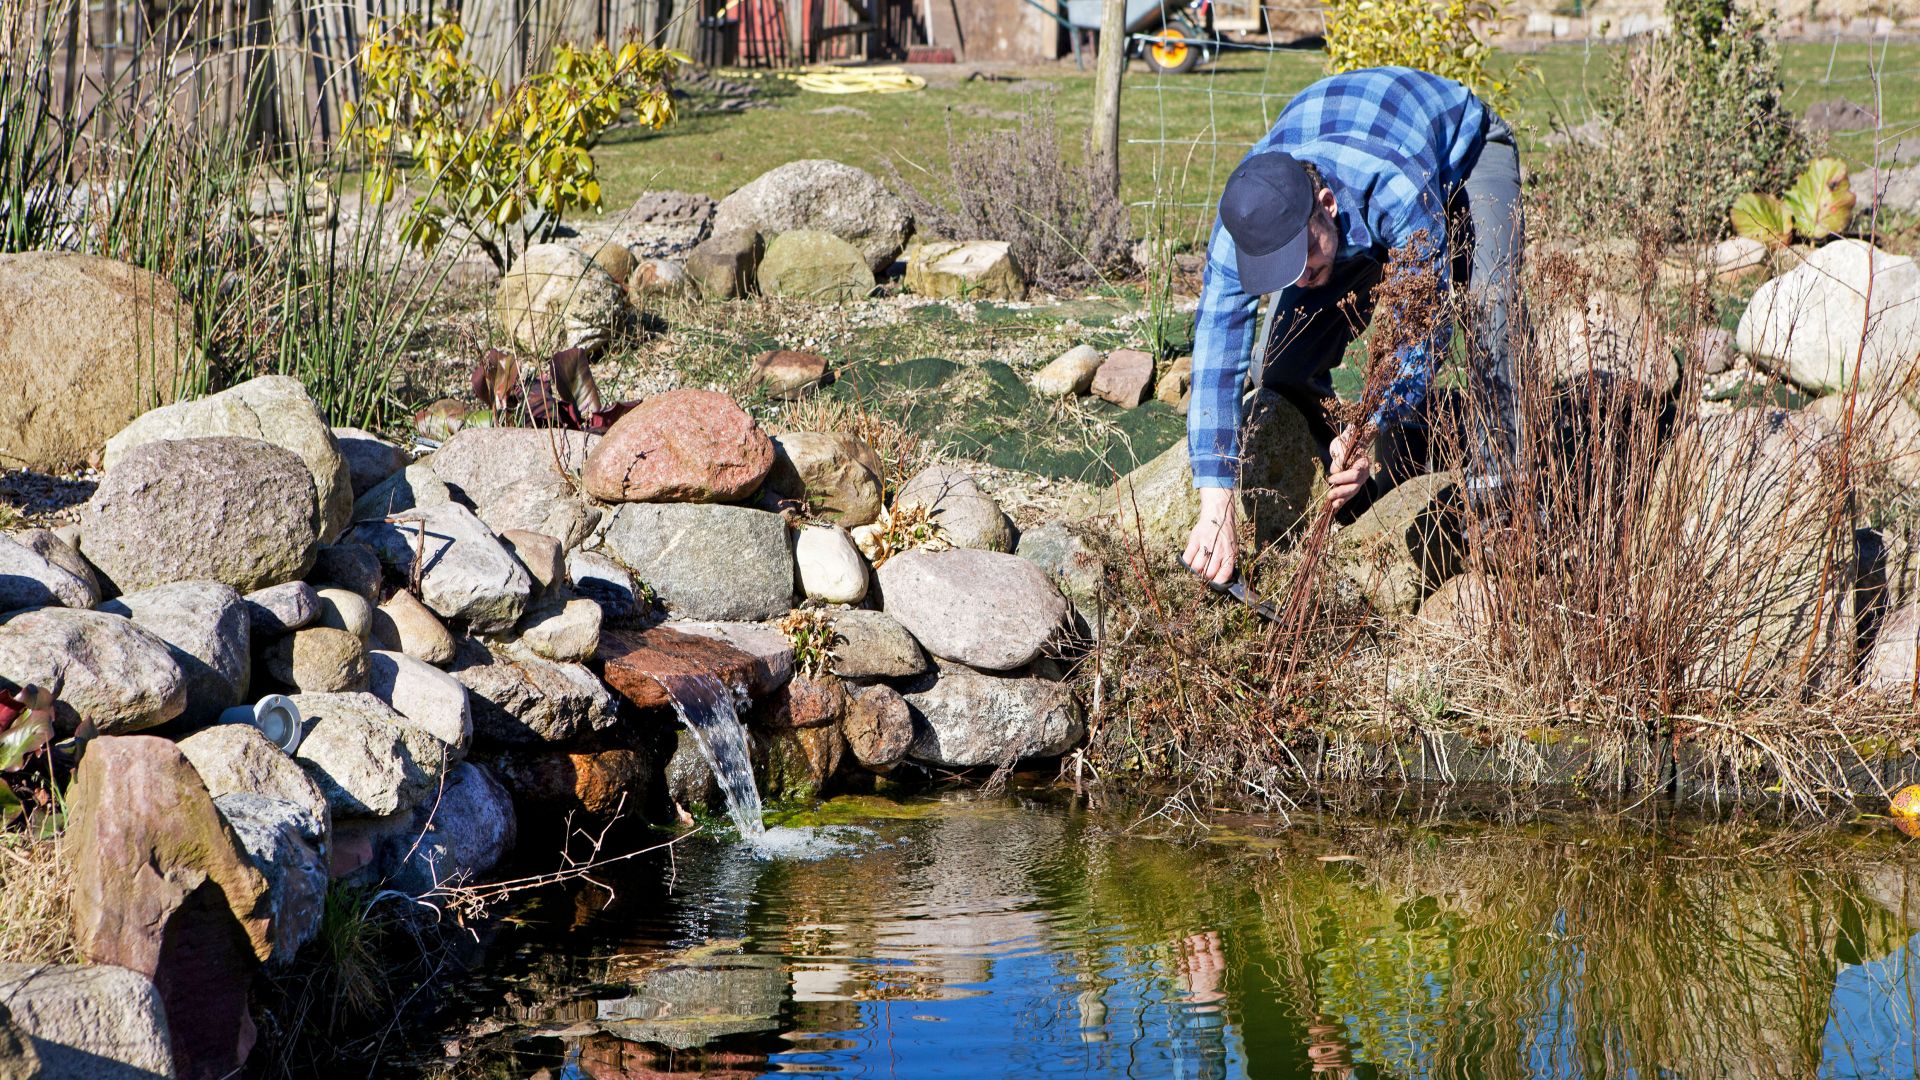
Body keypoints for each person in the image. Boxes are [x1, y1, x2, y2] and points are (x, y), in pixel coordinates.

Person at [1181, 66, 1525, 585]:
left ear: (1325, 206)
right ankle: (1347, 485)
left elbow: (1423, 324)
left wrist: (1373, 421)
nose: (1298, 277)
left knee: (1492, 314)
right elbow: (1215, 345)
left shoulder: (1391, 186)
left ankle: (1502, 502)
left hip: (1463, 157)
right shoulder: (1247, 220)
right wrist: (1217, 501)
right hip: (1355, 201)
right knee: (1277, 367)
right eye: (1281, 266)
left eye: (1302, 255)